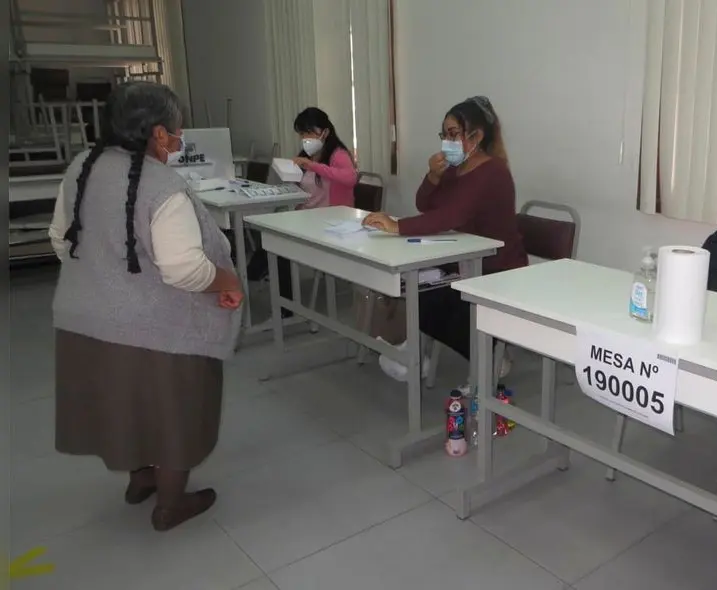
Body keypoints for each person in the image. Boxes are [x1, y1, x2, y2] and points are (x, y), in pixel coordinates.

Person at [48, 81, 244, 532]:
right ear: (159, 133)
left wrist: (104, 279)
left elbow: (61, 238)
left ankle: (140, 481)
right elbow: (183, 269)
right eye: (177, 130)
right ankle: (171, 505)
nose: (180, 137)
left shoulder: (83, 166)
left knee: (124, 407)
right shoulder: (163, 186)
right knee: (175, 413)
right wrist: (226, 280)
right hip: (158, 334)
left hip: (87, 323)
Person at [363, 96, 527, 379]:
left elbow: (451, 215)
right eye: (444, 135)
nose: (447, 142)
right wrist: (433, 176)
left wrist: (397, 226)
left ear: (476, 136)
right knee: (419, 289)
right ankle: (416, 352)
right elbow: (425, 205)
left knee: (435, 299)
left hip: (495, 268)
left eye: (454, 134)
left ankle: (491, 360)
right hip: (462, 259)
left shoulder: (493, 171)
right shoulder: (455, 168)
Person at [249, 107, 357, 308]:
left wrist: (312, 166)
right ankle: (260, 280)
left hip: (330, 221)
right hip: (306, 216)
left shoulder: (337, 154)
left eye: (309, 132)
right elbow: (299, 184)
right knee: (272, 234)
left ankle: (282, 303)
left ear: (325, 132)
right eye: (302, 134)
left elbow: (350, 177)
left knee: (280, 244)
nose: (305, 138)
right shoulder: (307, 155)